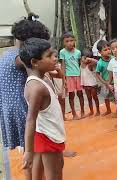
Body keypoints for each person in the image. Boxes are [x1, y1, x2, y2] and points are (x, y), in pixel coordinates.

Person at [0, 14, 50, 180]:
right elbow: (38, 65)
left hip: (10, 107)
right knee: (33, 150)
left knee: (28, 148)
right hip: (21, 108)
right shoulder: (22, 58)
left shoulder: (8, 53)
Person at [20, 38, 65, 180]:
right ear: (34, 62)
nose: (54, 58)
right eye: (49, 56)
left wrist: (56, 69)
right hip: (48, 136)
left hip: (50, 132)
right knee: (55, 175)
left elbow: (61, 76)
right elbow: (30, 119)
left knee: (58, 167)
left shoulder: (43, 75)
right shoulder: (36, 87)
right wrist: (28, 151)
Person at [60, 32, 87, 120]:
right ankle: (74, 114)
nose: (69, 43)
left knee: (80, 94)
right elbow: (63, 66)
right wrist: (63, 79)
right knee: (71, 95)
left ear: (74, 41)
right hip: (69, 76)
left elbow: (80, 64)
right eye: (67, 41)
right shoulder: (62, 52)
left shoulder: (78, 52)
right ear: (63, 43)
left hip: (78, 75)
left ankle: (82, 112)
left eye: (71, 41)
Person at [45, 50, 67, 121]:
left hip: (58, 87)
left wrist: (58, 69)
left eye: (56, 56)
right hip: (52, 90)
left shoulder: (54, 68)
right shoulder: (46, 70)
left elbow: (61, 76)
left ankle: (62, 116)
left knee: (61, 101)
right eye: (53, 57)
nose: (55, 59)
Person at [96, 40, 115, 116]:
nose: (108, 51)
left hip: (115, 81)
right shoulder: (100, 63)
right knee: (106, 97)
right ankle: (108, 110)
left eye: (109, 49)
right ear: (100, 52)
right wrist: (104, 82)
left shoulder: (114, 58)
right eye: (105, 50)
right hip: (106, 83)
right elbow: (97, 74)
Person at [81, 49, 100, 116]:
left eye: (88, 58)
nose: (87, 60)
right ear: (81, 57)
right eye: (85, 58)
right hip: (86, 85)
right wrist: (82, 84)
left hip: (92, 85)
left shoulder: (90, 65)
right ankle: (91, 111)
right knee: (89, 98)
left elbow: (98, 62)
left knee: (95, 97)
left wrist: (90, 59)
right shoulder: (81, 64)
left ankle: (98, 111)